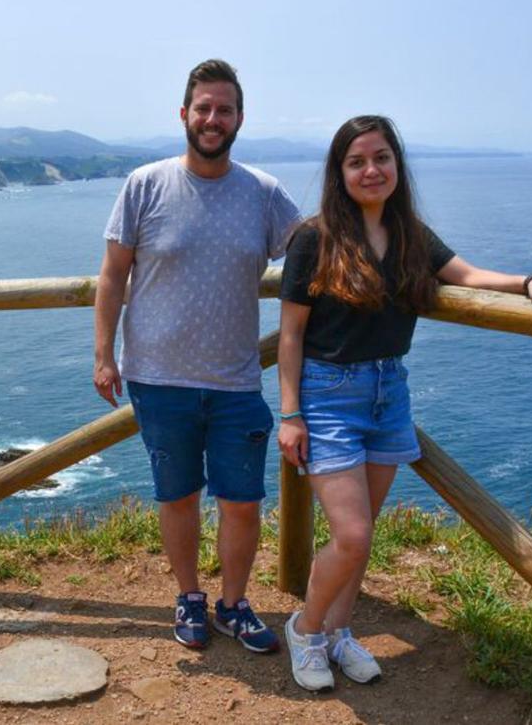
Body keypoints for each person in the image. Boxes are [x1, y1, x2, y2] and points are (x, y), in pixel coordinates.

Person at [276, 115, 532, 691]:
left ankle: (340, 632)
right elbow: (291, 334)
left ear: (397, 165)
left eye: (381, 158)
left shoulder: (410, 236)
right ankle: (305, 628)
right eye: (356, 161)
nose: (371, 170)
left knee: (364, 530)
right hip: (327, 396)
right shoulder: (313, 238)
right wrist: (291, 413)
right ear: (339, 172)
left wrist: (529, 283)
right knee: (351, 535)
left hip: (387, 393)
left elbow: (467, 274)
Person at [93, 59, 302, 653]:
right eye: (204, 108)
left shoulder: (262, 193)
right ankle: (189, 597)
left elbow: (312, 252)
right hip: (158, 380)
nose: (213, 119)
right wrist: (104, 356)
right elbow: (112, 277)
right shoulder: (144, 184)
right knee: (178, 495)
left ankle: (233, 604)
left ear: (240, 119)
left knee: (242, 502)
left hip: (237, 381)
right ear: (184, 114)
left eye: (225, 109)